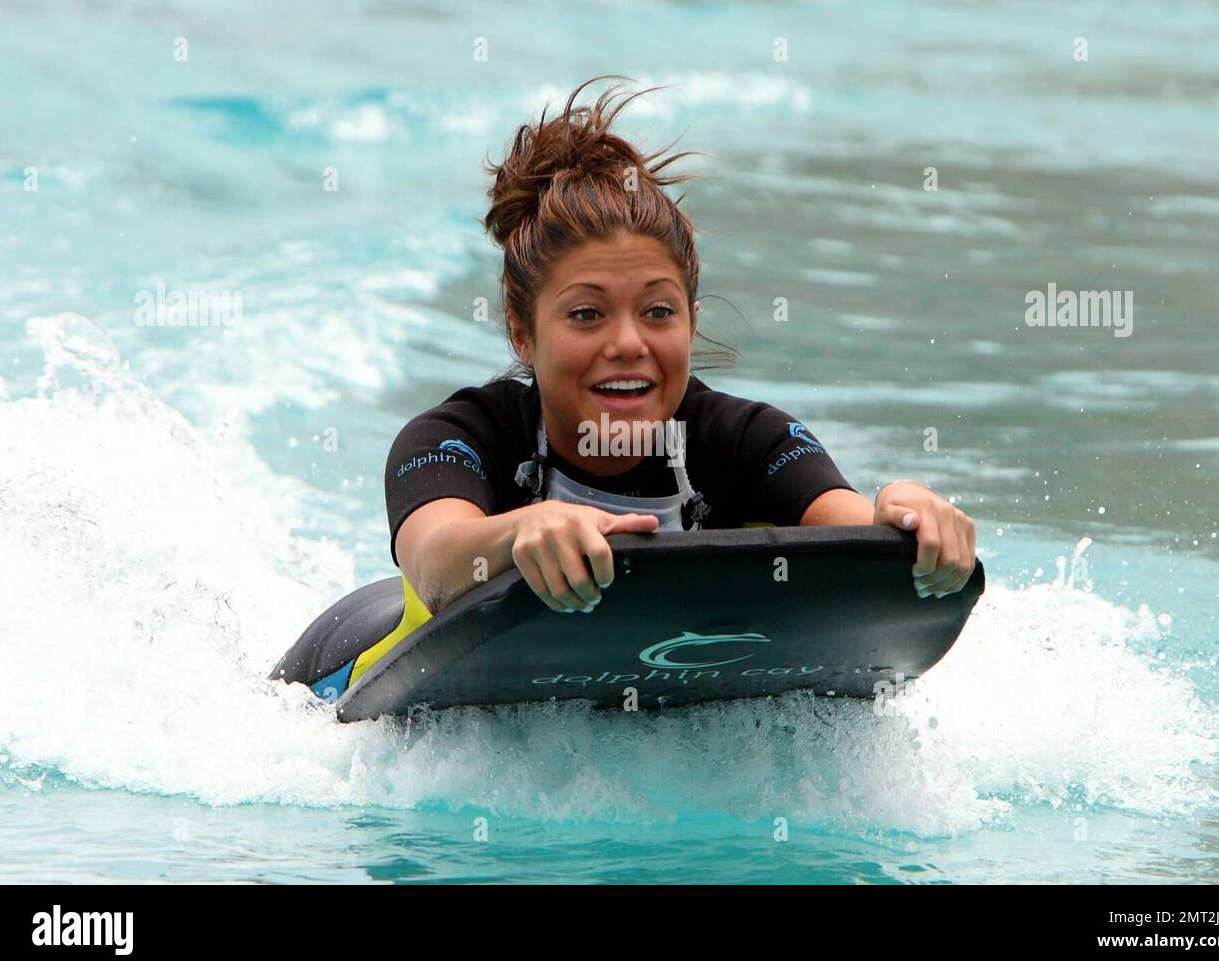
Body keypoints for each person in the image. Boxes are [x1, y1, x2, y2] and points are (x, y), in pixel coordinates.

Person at [385, 76, 976, 624]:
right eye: (586, 314)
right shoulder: (457, 437)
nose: (627, 343)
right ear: (521, 330)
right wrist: (520, 532)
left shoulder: (747, 440)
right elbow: (434, 560)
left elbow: (853, 531)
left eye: (658, 312)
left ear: (691, 323)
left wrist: (905, 516)